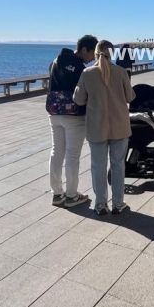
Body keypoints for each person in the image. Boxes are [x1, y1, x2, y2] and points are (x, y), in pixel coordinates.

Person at [73, 40, 136, 215]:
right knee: (118, 166)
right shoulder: (121, 72)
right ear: (112, 53)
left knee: (98, 166)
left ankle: (100, 205)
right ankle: (118, 204)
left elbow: (78, 100)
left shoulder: (87, 73)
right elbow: (130, 97)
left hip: (96, 127)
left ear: (95, 53)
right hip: (119, 126)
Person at [46, 35, 98, 208]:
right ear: (84, 49)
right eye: (92, 54)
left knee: (56, 152)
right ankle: (71, 196)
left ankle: (57, 194)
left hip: (54, 112)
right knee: (72, 155)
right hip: (74, 116)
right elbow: (85, 93)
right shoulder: (81, 69)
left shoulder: (55, 61)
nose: (93, 58)